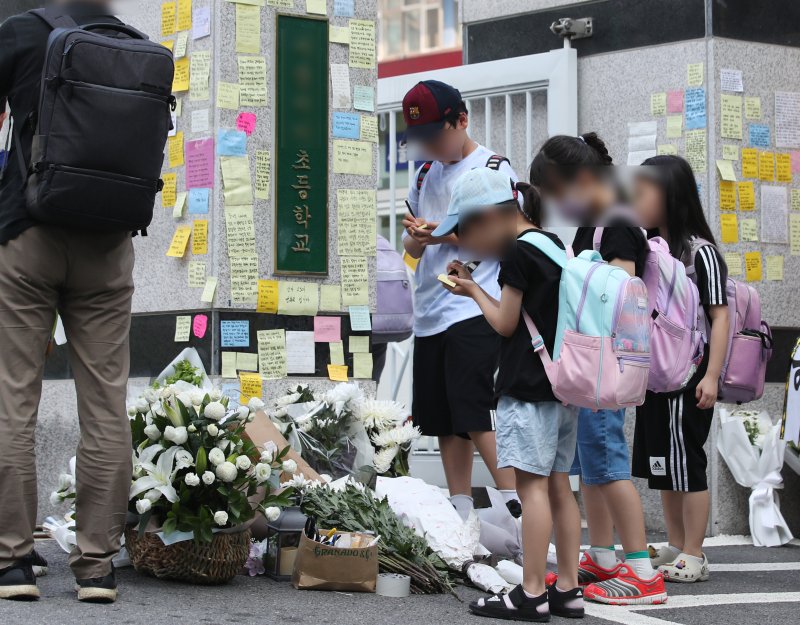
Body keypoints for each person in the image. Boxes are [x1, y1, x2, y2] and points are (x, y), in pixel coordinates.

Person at [0, 0, 141, 603]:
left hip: (28, 233)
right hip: (107, 244)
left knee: (13, 394)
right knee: (107, 402)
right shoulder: (132, 43)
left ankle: (10, 562)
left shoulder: (23, 32)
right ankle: (96, 567)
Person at [435, 167, 583, 621]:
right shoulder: (551, 244)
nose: (465, 241)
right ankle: (569, 589)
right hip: (562, 386)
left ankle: (532, 591)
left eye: (465, 230)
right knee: (560, 487)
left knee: (531, 487)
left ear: (489, 218)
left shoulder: (517, 254)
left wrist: (473, 290)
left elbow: (504, 323)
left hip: (525, 387)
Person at [530, 133, 667, 605]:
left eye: (554, 193)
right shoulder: (595, 222)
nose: (554, 205)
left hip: (606, 364)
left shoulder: (618, 222)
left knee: (608, 463)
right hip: (592, 362)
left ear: (583, 180)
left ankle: (643, 571)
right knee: (591, 463)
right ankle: (604, 556)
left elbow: (620, 297)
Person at [400, 80, 517, 517]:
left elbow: (503, 235)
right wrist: (417, 239)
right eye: (421, 138)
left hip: (474, 304)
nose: (429, 144)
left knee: (475, 412)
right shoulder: (425, 173)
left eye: (436, 134)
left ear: (461, 120)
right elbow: (412, 250)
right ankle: (462, 515)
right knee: (445, 420)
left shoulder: (490, 168)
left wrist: (441, 234)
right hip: (430, 311)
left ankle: (520, 509)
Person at [631, 155, 730, 583]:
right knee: (663, 463)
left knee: (686, 460)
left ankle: (695, 552)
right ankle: (675, 543)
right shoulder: (647, 248)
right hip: (654, 374)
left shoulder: (699, 253)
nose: (635, 197)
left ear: (670, 196)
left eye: (644, 190)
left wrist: (711, 376)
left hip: (691, 373)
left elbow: (721, 317)